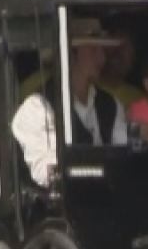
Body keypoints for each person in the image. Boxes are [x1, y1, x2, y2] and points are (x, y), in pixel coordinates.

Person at [11, 18, 133, 188]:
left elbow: (122, 158)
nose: (102, 58)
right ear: (70, 53)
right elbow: (46, 173)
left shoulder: (111, 104)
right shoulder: (37, 108)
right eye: (93, 49)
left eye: (102, 50)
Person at [97, 24, 144, 106]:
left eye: (125, 46)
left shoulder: (140, 99)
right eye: (114, 44)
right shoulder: (87, 90)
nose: (118, 52)